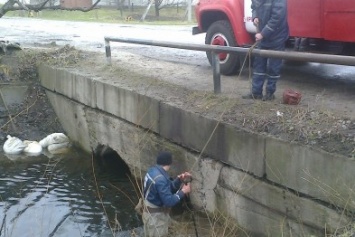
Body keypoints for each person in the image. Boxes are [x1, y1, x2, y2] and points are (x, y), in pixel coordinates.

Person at [242, 0, 289, 101]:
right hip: (263, 37)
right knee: (258, 66)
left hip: (277, 38)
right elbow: (254, 7)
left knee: (273, 68)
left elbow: (277, 19)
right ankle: (256, 93)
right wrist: (255, 17)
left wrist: (263, 33)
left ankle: (270, 94)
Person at [142, 151, 192, 237]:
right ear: (169, 163)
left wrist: (179, 180)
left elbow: (166, 189)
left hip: (149, 212)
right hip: (156, 218)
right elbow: (169, 201)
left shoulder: (153, 171)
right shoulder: (160, 179)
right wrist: (183, 191)